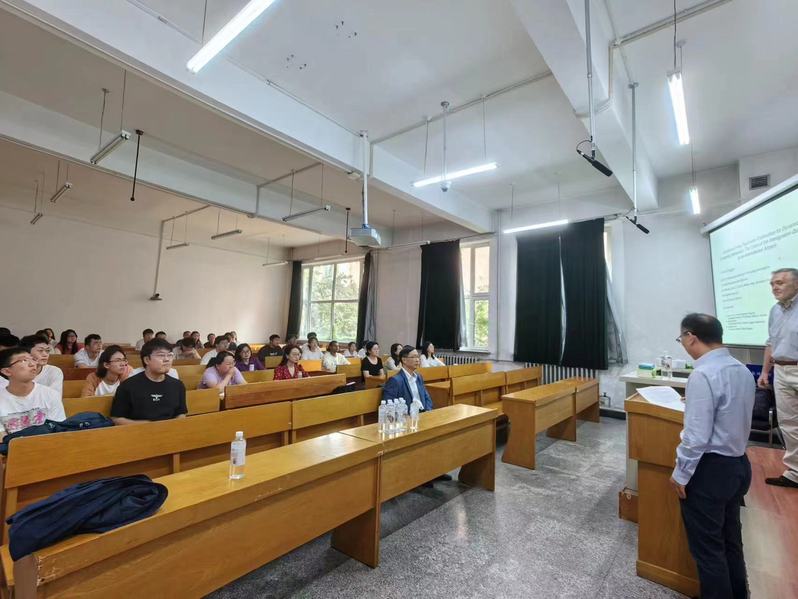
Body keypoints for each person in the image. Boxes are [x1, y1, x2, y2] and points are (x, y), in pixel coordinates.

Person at [669, 313, 754, 599]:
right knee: (731, 541)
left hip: (710, 471)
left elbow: (696, 436)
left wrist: (681, 473)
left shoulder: (703, 374)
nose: (683, 344)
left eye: (681, 338)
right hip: (738, 465)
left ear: (691, 337)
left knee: (708, 550)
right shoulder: (741, 369)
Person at [757, 267, 798, 488]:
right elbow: (771, 343)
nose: (774, 287)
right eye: (772, 284)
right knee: (788, 423)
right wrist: (765, 372)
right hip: (781, 371)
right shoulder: (775, 311)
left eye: (780, 283)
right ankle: (795, 473)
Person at [111, 339, 187, 425]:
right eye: (161, 355)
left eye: (170, 355)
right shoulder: (127, 386)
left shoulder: (178, 385)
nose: (167, 359)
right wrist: (147, 426)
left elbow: (181, 413)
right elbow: (116, 418)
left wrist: (173, 426)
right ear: (147, 360)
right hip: (138, 431)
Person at [0, 347, 66, 436]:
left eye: (33, 359)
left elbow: (58, 430)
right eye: (24, 360)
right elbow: (2, 438)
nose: (32, 364)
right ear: (7, 371)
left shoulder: (50, 394)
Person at [382, 345, 433, 411]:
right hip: (408, 415)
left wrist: (428, 411)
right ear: (404, 360)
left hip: (423, 412)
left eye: (417, 357)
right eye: (413, 357)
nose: (417, 360)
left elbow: (427, 397)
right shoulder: (395, 381)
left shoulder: (418, 377)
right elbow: (388, 405)